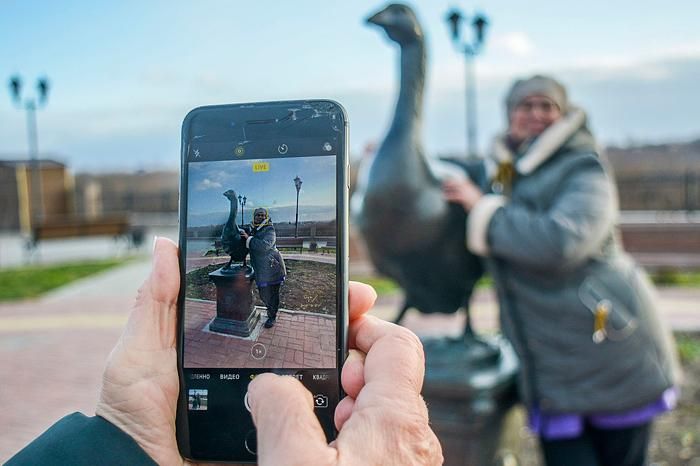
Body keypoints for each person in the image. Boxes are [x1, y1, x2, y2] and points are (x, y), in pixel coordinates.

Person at [7, 237, 442, 466]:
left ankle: (267, 315)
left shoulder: (268, 244)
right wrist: (124, 436)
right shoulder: (254, 239)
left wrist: (118, 446)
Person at [443, 75, 681, 466]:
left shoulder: (583, 166)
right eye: (526, 105)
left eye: (547, 105)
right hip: (551, 365)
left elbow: (560, 243)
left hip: (606, 348)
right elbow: (462, 174)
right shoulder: (505, 168)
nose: (536, 114)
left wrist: (482, 207)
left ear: (563, 114)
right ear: (509, 115)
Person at [241, 207, 286, 328]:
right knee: (263, 294)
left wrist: (248, 239)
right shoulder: (253, 229)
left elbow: (264, 246)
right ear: (254, 217)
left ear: (266, 217)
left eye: (262, 215)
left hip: (273, 267)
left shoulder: (269, 229)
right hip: (261, 269)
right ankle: (270, 310)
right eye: (258, 215)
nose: (260, 217)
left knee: (273, 294)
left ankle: (272, 316)